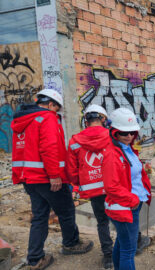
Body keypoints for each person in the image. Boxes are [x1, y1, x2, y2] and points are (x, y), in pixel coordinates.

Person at [11, 89, 94, 270]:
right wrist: (55, 175)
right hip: (47, 178)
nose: (56, 112)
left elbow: (20, 151)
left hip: (29, 178)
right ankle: (71, 244)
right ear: (51, 104)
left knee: (39, 216)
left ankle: (35, 258)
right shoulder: (47, 117)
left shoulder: (21, 121)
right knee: (66, 210)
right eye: (56, 108)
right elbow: (49, 148)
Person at [102, 108, 151, 270]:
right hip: (125, 207)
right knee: (128, 250)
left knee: (122, 244)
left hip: (130, 204)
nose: (129, 136)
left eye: (132, 132)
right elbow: (111, 186)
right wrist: (133, 199)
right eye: (124, 133)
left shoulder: (125, 148)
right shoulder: (112, 154)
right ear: (114, 132)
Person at [66, 104, 113, 269]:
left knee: (102, 222)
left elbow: (71, 171)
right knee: (124, 217)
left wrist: (78, 184)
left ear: (86, 120)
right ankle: (130, 245)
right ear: (103, 119)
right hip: (114, 186)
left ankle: (108, 256)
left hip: (93, 189)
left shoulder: (75, 141)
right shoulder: (113, 136)